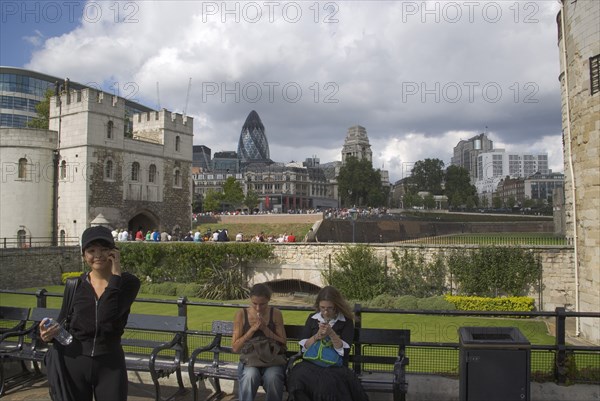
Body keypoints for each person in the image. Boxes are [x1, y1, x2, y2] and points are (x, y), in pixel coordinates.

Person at [39, 226, 141, 401]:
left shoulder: (128, 283)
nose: (98, 255)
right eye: (91, 250)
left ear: (114, 251)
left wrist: (116, 275)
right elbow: (63, 320)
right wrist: (47, 333)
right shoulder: (76, 285)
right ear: (84, 255)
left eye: (104, 249)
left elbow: (106, 317)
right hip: (74, 359)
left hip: (109, 362)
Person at [287, 286, 368, 401]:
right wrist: (317, 336)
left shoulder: (346, 321)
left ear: (337, 306)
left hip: (334, 366)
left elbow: (344, 352)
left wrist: (331, 333)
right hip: (311, 363)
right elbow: (303, 347)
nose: (325, 312)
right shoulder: (312, 318)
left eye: (330, 308)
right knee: (298, 377)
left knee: (327, 384)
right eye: (322, 308)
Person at [232, 284, 286, 401]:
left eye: (262, 304)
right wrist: (251, 331)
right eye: (254, 303)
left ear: (268, 300)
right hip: (250, 360)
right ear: (250, 299)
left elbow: (283, 342)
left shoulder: (275, 313)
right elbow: (235, 348)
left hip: (272, 359)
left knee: (273, 377)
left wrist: (265, 329)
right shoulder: (241, 314)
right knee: (249, 376)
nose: (258, 308)